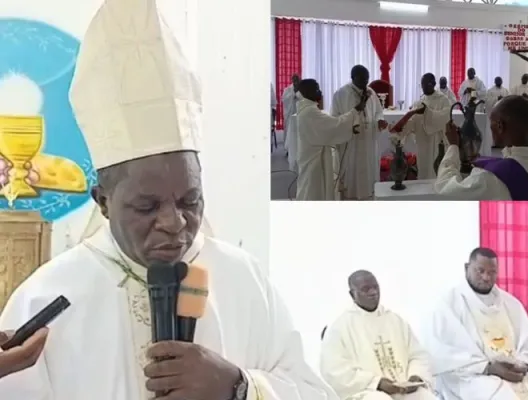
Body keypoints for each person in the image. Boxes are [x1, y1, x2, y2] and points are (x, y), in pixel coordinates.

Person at [0, 2, 336, 399]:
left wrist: (238, 386)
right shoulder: (47, 298)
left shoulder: (242, 279)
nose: (175, 223)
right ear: (103, 201)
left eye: (190, 201)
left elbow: (315, 391)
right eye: (147, 207)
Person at [422, 248, 528, 400]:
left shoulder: (510, 303)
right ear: (467, 268)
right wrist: (488, 367)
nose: (486, 277)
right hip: (474, 377)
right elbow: (443, 354)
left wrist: (524, 364)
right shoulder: (448, 304)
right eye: (480, 271)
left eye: (492, 272)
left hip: (517, 374)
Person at [320, 270, 437, 400]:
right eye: (366, 289)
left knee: (425, 397)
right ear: (352, 294)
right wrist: (377, 383)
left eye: (375, 287)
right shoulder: (339, 328)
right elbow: (335, 371)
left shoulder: (395, 321)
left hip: (403, 387)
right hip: (365, 391)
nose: (373, 292)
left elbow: (418, 355)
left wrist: (415, 376)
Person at [434, 95, 528, 200]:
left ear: (500, 126)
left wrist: (453, 145)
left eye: (491, 122)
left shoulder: (490, 179)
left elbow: (446, 189)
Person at [296, 79, 364, 201]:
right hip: (314, 158)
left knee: (311, 185)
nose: (320, 92)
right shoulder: (310, 111)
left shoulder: (306, 108)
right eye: (316, 89)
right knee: (313, 188)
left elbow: (327, 128)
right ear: (307, 91)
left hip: (311, 153)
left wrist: (348, 127)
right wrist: (355, 111)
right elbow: (335, 124)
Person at [331, 65, 387, 200]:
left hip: (368, 139)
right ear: (353, 77)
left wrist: (379, 120)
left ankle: (369, 190)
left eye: (367, 79)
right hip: (351, 141)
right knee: (352, 166)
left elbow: (378, 111)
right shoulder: (341, 94)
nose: (366, 82)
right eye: (362, 79)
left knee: (369, 165)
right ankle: (351, 193)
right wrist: (348, 127)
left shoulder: (371, 93)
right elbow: (335, 118)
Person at [389, 73, 451, 179]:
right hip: (422, 141)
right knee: (423, 169)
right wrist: (400, 129)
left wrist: (427, 112)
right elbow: (413, 122)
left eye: (426, 84)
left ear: (434, 84)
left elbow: (445, 117)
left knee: (435, 170)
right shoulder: (420, 102)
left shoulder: (443, 100)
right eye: (422, 84)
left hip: (436, 140)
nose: (423, 87)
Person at [485, 77, 510, 151]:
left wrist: (503, 99)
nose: (499, 82)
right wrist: (496, 98)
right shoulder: (490, 91)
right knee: (494, 127)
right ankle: (493, 143)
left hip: (503, 113)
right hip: (495, 113)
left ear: (502, 81)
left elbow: (509, 100)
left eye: (500, 80)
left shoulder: (505, 90)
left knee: (504, 127)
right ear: (495, 82)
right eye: (497, 81)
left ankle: (503, 143)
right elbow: (487, 101)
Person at [510, 74, 528, 141]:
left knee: (527, 124)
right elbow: (511, 97)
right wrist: (520, 97)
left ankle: (527, 139)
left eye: (526, 78)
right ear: (521, 78)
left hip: (527, 109)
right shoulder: (516, 87)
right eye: (523, 78)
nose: (524, 80)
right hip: (518, 109)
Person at [282, 74, 301, 153]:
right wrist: (293, 94)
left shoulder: (302, 89)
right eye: (294, 79)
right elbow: (284, 99)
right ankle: (288, 149)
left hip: (299, 113)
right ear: (292, 80)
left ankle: (298, 149)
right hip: (290, 113)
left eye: (297, 79)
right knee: (289, 131)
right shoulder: (287, 89)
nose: (296, 81)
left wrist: (298, 94)